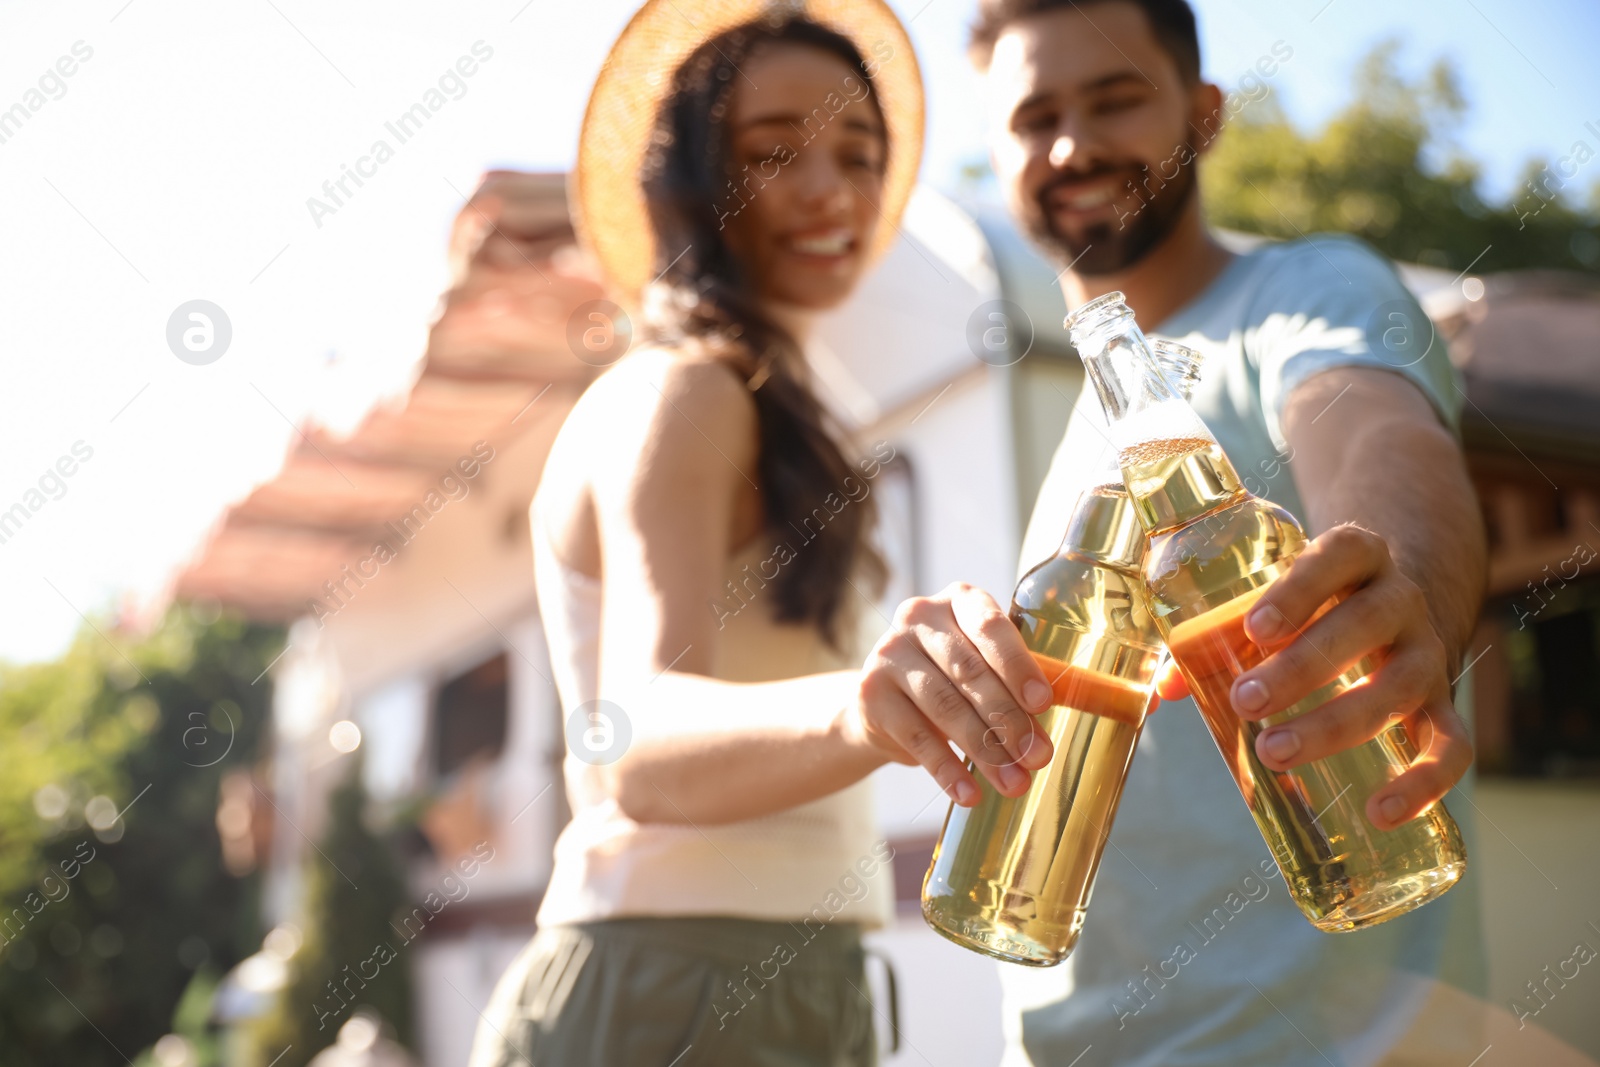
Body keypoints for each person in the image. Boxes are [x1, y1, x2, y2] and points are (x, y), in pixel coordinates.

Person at [845, 0, 1494, 1063]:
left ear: (1201, 115)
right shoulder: (1101, 422)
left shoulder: (1305, 289)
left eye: (1114, 100)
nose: (1070, 146)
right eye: (1031, 117)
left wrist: (1406, 591)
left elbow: (1377, 429)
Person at [466, 2, 942, 1064]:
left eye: (856, 153)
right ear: (690, 181)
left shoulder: (776, 402)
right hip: (673, 986)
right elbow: (632, 738)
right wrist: (874, 705)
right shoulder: (686, 391)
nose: (829, 188)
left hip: (783, 979)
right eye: (774, 152)